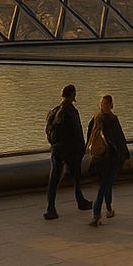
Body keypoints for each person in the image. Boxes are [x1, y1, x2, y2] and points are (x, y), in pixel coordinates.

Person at [43, 84, 90, 219]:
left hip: (57, 149)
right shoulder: (71, 111)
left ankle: (51, 207)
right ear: (72, 96)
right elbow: (76, 131)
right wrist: (82, 149)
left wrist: (54, 145)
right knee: (76, 177)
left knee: (54, 178)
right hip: (70, 150)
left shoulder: (53, 111)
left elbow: (48, 131)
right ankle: (80, 201)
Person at [86, 95, 130, 227]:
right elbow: (119, 140)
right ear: (111, 105)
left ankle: (107, 210)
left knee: (104, 184)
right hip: (110, 158)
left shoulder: (96, 118)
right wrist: (124, 156)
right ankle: (98, 213)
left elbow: (89, 136)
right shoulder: (112, 119)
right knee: (106, 185)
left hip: (98, 157)